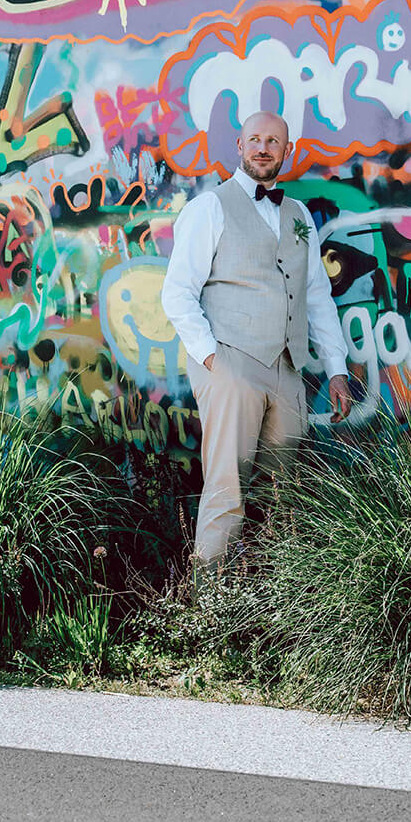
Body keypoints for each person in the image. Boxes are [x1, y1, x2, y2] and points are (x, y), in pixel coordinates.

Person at [161, 112, 354, 569]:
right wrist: (212, 360)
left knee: (283, 494)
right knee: (227, 489)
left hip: (288, 368)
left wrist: (337, 369)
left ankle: (272, 608)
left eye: (273, 141)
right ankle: (207, 612)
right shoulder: (210, 207)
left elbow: (315, 295)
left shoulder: (298, 214)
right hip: (232, 363)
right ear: (239, 145)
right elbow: (177, 292)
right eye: (254, 140)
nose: (263, 148)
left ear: (287, 150)